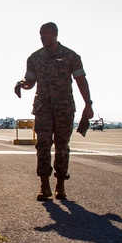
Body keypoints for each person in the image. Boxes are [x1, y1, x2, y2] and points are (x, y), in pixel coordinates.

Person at [14, 22, 93, 201]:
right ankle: (44, 186)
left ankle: (60, 185)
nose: (42, 37)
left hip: (64, 108)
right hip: (43, 107)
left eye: (46, 34)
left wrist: (88, 104)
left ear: (55, 34)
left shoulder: (71, 56)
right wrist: (21, 84)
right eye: (40, 34)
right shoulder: (34, 58)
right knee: (43, 144)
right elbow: (30, 81)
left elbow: (81, 80)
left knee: (62, 146)